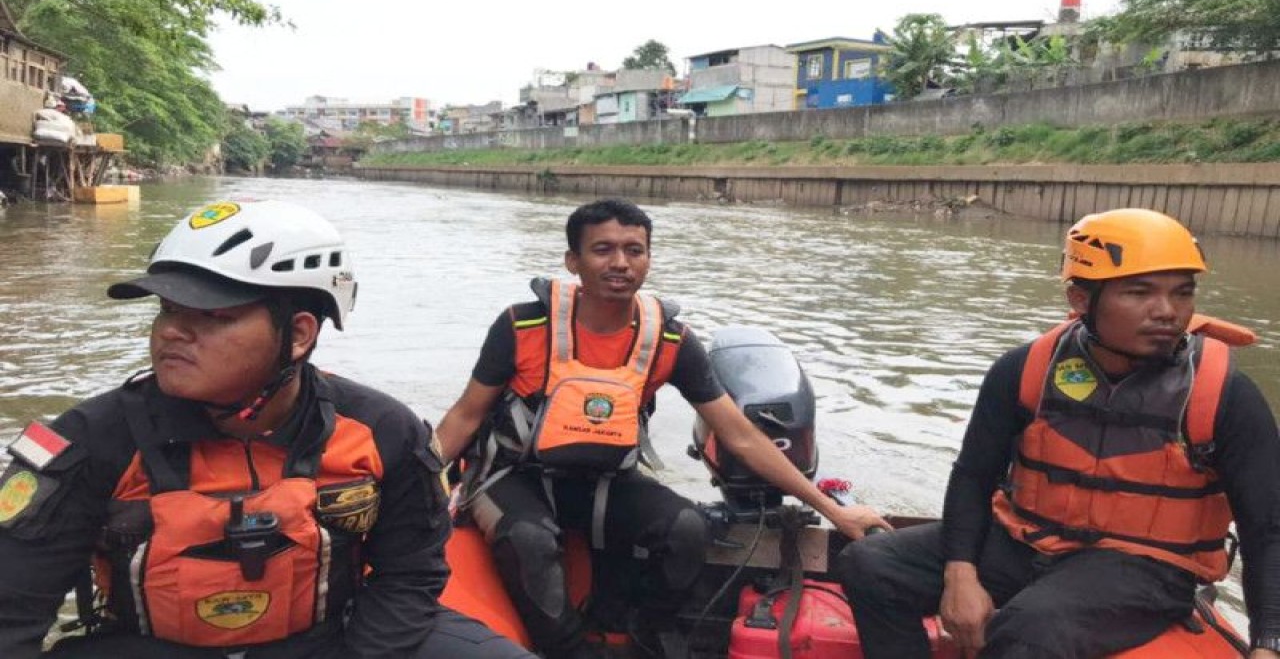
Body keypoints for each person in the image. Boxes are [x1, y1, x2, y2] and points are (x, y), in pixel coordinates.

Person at [0, 199, 535, 659]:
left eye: (212, 317)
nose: (171, 333)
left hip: (328, 640)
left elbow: (410, 573)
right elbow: (14, 609)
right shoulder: (91, 441)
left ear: (298, 334)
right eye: (167, 309)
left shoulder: (382, 430)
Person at [436, 197, 891, 659]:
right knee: (530, 540)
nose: (620, 263)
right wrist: (412, 483)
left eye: (635, 250)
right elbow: (465, 415)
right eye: (603, 250)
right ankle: (567, 651)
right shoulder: (523, 325)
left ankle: (642, 637)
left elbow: (739, 435)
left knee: (687, 530)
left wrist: (833, 512)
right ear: (573, 261)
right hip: (513, 478)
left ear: (649, 259)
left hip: (604, 481)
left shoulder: (670, 339)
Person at [836, 208, 1280, 659]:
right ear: (1082, 298)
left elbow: (1267, 528)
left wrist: (1268, 642)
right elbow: (973, 476)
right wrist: (961, 573)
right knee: (873, 564)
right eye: (1140, 292)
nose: (1167, 312)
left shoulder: (1223, 396)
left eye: (1182, 293)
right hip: (1028, 540)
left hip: (1145, 567)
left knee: (1029, 630)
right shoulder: (1025, 370)